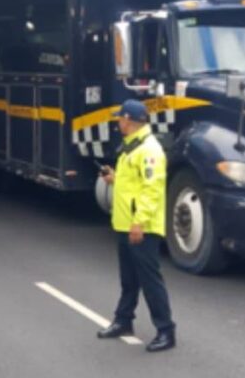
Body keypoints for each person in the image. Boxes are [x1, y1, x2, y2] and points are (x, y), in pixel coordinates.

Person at [97, 100, 176, 353]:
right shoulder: (132, 147)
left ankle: (166, 330)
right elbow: (134, 184)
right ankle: (123, 321)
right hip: (125, 224)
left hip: (141, 226)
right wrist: (114, 179)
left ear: (129, 119)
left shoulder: (149, 150)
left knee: (150, 280)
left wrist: (139, 222)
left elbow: (151, 190)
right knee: (129, 279)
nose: (118, 121)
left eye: (120, 118)